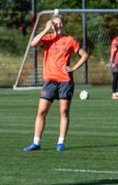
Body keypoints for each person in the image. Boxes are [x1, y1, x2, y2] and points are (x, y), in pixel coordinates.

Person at [23, 15, 89, 152]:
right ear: (52, 25)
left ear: (63, 25)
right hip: (50, 81)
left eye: (60, 24)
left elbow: (85, 55)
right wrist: (46, 28)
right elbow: (33, 44)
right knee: (41, 111)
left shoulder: (70, 40)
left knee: (64, 112)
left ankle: (61, 142)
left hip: (65, 81)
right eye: (55, 24)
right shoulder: (48, 38)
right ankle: (36, 143)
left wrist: (74, 68)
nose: (58, 26)